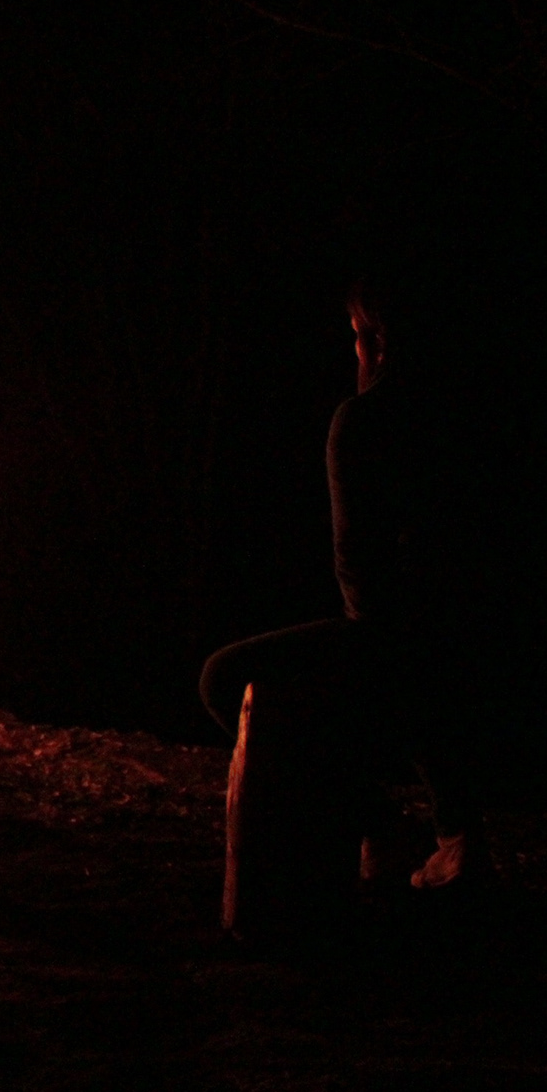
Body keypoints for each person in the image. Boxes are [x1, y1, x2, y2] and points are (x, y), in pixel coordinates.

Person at [200, 276, 500, 890]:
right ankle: (452, 834)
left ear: (378, 345)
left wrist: (372, 653)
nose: (355, 353)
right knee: (419, 653)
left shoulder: (363, 421)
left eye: (358, 338)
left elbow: (358, 565)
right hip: (476, 630)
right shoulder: (468, 418)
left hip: (402, 633)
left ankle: (387, 826)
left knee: (225, 679)